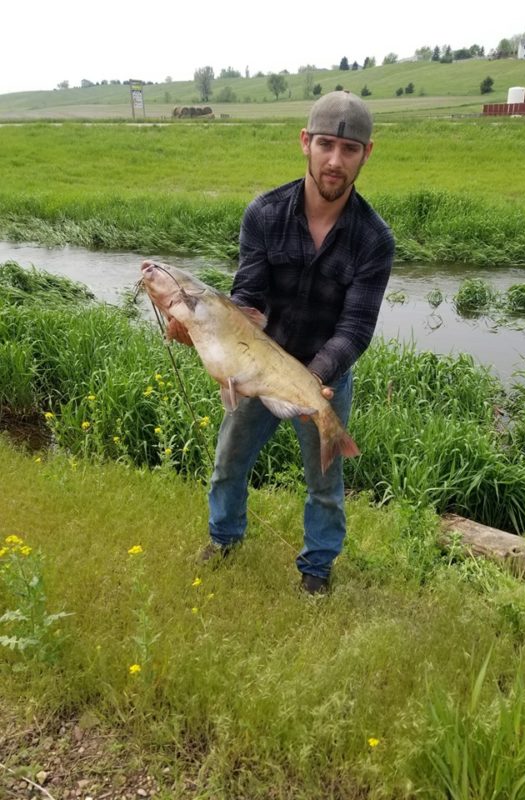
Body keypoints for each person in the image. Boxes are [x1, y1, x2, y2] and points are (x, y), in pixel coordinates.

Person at [175, 91, 395, 594]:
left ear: (366, 153)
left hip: (326, 378)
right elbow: (247, 299)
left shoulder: (374, 239)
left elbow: (356, 327)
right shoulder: (265, 214)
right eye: (325, 145)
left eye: (349, 149)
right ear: (305, 143)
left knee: (325, 484)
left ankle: (316, 570)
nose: (335, 160)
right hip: (256, 364)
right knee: (228, 460)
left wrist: (313, 377)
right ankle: (224, 539)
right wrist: (206, 332)